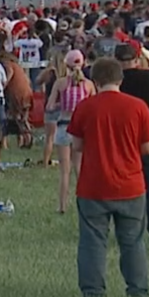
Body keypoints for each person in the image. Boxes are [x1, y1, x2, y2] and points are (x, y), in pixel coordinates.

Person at [66, 57, 149, 297]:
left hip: (94, 184)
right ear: (121, 79)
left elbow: (78, 145)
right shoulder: (138, 107)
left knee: (93, 240)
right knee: (132, 241)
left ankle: (93, 291)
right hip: (130, 184)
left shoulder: (85, 107)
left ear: (95, 80)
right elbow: (147, 147)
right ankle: (138, 289)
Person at [116, 43, 149, 242]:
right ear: (136, 59)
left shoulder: (116, 82)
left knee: (126, 187)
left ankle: (129, 228)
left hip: (124, 139)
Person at [46, 50, 95, 214]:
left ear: (65, 65)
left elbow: (49, 107)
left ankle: (62, 206)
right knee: (80, 168)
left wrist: (62, 105)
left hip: (63, 126)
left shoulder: (60, 83)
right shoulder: (88, 85)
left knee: (64, 171)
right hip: (80, 129)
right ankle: (85, 204)